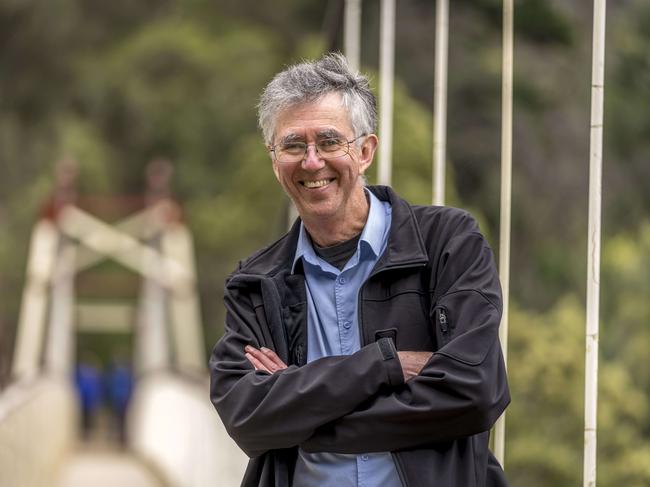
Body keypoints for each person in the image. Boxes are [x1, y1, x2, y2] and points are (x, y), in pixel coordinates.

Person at [209, 52, 510, 487]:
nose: (312, 162)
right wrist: (383, 366)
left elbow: (477, 391)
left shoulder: (448, 242)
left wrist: (306, 417)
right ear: (274, 159)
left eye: (329, 142)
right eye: (293, 145)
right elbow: (247, 418)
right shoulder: (257, 282)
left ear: (365, 150)